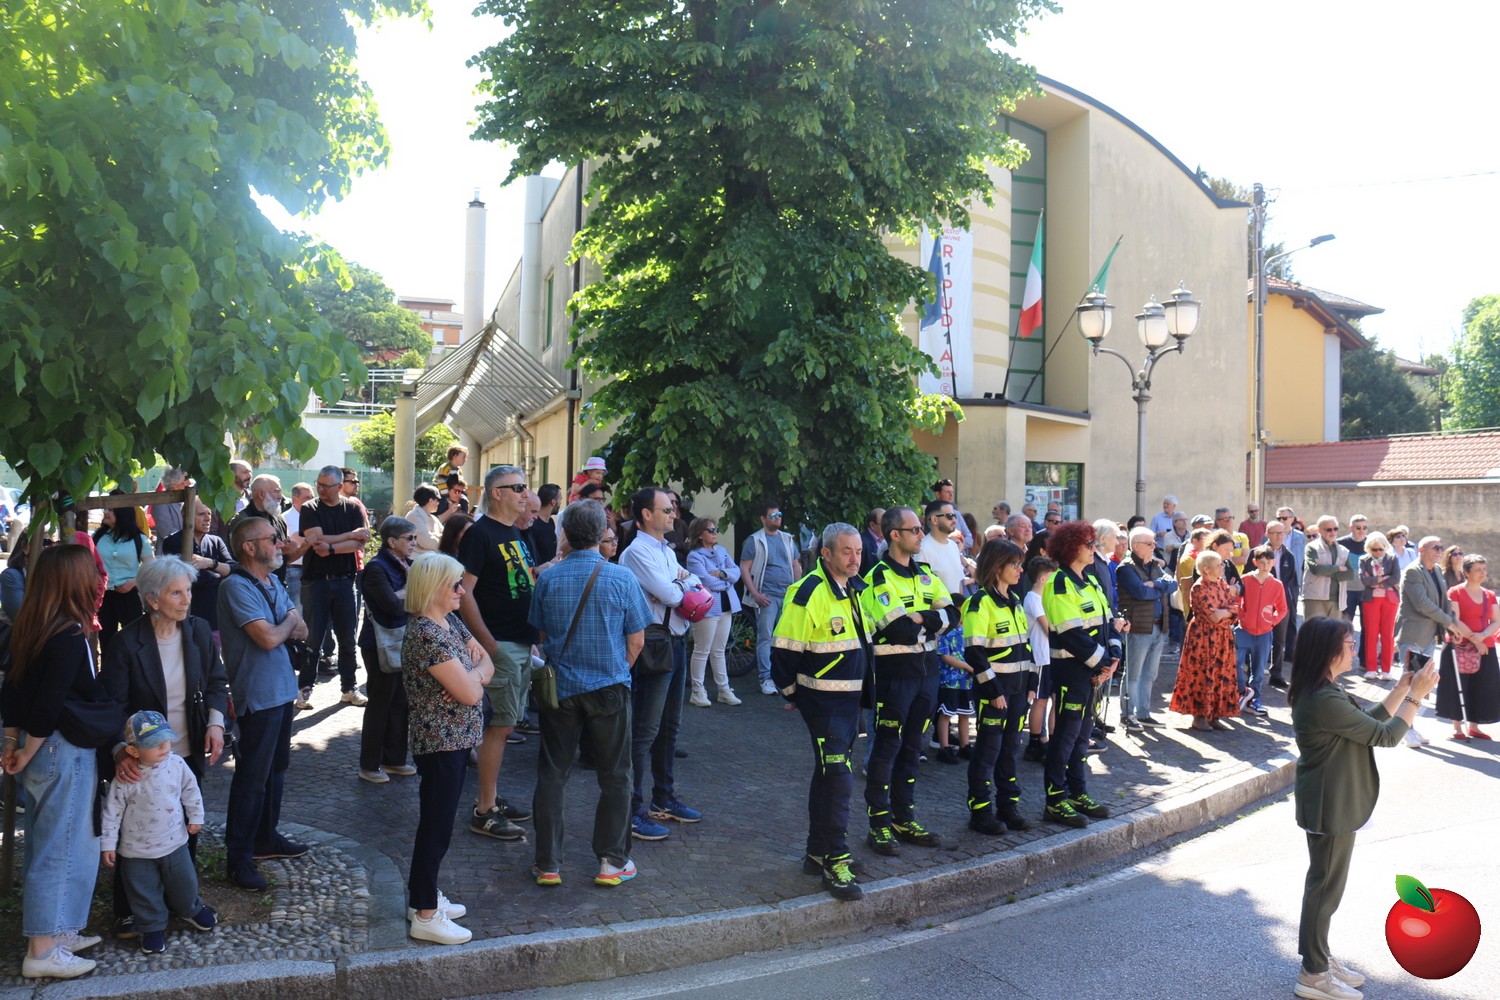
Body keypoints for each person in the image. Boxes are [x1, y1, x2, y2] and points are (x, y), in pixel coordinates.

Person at [1289, 616, 1438, 1000]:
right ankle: (1313, 973)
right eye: (1349, 643)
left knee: (1325, 886)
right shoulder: (1323, 699)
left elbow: (1367, 723)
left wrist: (1401, 690)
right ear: (1328, 651)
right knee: (1325, 889)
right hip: (1330, 803)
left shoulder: (1323, 691)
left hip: (1330, 799)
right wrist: (1415, 697)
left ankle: (1319, 958)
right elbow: (1386, 737)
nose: (1355, 648)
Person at [527, 500, 653, 888]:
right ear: (601, 534)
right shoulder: (622, 578)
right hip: (609, 687)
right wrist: (616, 669)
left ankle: (548, 864)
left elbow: (541, 635)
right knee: (616, 775)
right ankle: (611, 863)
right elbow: (637, 640)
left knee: (553, 773)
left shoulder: (548, 578)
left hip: (561, 689)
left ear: (565, 533)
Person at [1, 545, 114, 980]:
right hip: (61, 749)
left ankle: (57, 932)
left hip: (41, 748)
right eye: (91, 573)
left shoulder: (31, 628)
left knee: (49, 843)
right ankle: (42, 950)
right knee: (59, 847)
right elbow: (49, 704)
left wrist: (13, 743)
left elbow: (12, 693)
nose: (98, 580)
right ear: (74, 581)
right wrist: (24, 750)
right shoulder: (68, 634)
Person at [101, 555, 229, 935]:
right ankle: (129, 909)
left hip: (186, 751)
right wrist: (120, 751)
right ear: (153, 599)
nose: (187, 599)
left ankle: (183, 902)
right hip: (141, 758)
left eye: (188, 591)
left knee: (186, 827)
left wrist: (216, 723)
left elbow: (216, 681)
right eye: (177, 593)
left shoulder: (198, 630)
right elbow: (113, 706)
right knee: (135, 835)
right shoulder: (126, 643)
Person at [772, 523, 871, 900]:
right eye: (847, 551)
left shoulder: (853, 588)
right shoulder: (810, 591)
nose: (855, 558)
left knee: (830, 776)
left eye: (858, 551)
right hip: (825, 703)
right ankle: (836, 860)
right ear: (826, 553)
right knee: (839, 779)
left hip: (848, 702)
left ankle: (817, 852)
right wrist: (793, 693)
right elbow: (783, 651)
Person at [402, 552, 491, 945]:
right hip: (440, 743)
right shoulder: (426, 633)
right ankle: (425, 914)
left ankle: (422, 897)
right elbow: (471, 693)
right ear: (435, 587)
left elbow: (486, 662)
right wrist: (475, 676)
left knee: (437, 824)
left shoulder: (449, 620)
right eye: (455, 585)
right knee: (436, 827)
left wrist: (474, 674)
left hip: (455, 739)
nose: (461, 591)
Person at [217, 517, 310, 891]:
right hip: (257, 694)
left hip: (283, 690)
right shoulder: (235, 586)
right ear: (249, 547)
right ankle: (238, 858)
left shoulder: (272, 582)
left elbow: (301, 628)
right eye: (273, 538)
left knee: (276, 771)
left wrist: (284, 623)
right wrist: (287, 620)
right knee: (252, 778)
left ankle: (265, 839)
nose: (280, 544)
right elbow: (270, 638)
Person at [860, 506, 959, 855]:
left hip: (926, 671)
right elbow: (898, 629)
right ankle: (879, 825)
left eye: (920, 529)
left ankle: (904, 818)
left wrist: (920, 618)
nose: (920, 534)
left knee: (913, 748)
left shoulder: (925, 573)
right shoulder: (877, 578)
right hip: (894, 674)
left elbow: (954, 613)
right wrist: (930, 620)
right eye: (914, 529)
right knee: (887, 747)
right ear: (894, 535)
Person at [618, 486, 704, 840]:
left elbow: (692, 582)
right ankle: (631, 809)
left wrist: (678, 585)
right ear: (645, 515)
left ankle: (663, 798)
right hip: (653, 642)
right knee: (644, 731)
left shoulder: (665, 550)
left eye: (673, 509)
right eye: (667, 509)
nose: (673, 514)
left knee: (669, 727)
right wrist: (678, 586)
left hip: (676, 639)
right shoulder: (637, 552)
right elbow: (672, 593)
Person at [456, 464, 536, 842]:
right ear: (497, 493)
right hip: (500, 644)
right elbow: (464, 593)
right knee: (499, 727)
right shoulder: (480, 534)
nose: (525, 493)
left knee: (506, 726)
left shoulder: (515, 532)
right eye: (517, 487)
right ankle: (484, 810)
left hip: (519, 642)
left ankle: (490, 798)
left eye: (525, 486)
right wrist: (488, 643)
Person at [100, 710, 217, 955]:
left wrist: (196, 816)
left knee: (184, 882)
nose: (164, 746)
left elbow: (190, 790)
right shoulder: (126, 777)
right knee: (143, 892)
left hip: (175, 843)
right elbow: (112, 812)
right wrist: (108, 844)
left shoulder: (176, 764)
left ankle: (191, 909)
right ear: (133, 751)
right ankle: (151, 927)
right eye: (155, 743)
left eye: (166, 739)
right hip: (136, 851)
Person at [1041, 521, 1120, 828]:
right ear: (1072, 548)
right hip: (1072, 672)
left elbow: (1108, 623)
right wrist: (1103, 663)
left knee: (1082, 737)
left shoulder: (1091, 581)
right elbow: (1072, 634)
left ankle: (1078, 793)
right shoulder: (1059, 584)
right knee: (1065, 737)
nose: (1093, 548)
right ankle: (1055, 801)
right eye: (1088, 544)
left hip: (1093, 672)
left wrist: (1114, 656)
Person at [961, 539, 1038, 835]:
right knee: (987, 752)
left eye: (1020, 564)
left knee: (1010, 750)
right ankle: (981, 813)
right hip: (995, 694)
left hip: (1018, 692)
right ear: (996, 567)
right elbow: (974, 652)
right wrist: (994, 691)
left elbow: (1025, 646)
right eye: (1014, 564)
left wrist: (1032, 682)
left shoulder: (1015, 601)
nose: (1020, 570)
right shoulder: (979, 603)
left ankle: (1008, 807)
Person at [298, 466, 371, 707]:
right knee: (313, 638)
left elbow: (360, 543)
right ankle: (305, 688)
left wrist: (330, 548)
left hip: (345, 580)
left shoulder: (352, 508)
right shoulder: (310, 508)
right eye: (318, 484)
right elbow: (316, 540)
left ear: (339, 487)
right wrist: (349, 536)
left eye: (326, 486)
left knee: (348, 638)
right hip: (315, 581)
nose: (320, 489)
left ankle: (349, 688)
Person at [1394, 535, 1473, 749]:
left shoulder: (1436, 570)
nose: (1440, 551)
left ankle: (1409, 725)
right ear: (1421, 550)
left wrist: (1452, 624)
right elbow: (1423, 604)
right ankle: (1404, 729)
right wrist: (1449, 623)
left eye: (1441, 547)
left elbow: (1444, 601)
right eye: (1435, 547)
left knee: (1421, 684)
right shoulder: (1412, 571)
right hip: (1414, 635)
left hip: (1429, 636)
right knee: (1410, 682)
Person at [357, 517, 417, 784]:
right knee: (380, 704)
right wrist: (409, 591)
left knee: (400, 702)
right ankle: (369, 765)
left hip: (402, 639)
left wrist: (404, 594)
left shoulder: (408, 564)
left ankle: (394, 759)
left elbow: (409, 599)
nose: (414, 543)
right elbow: (392, 606)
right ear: (392, 541)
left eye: (415, 538)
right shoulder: (376, 568)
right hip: (379, 644)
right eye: (409, 538)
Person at [1171, 550, 1240, 732]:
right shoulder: (1199, 588)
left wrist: (1225, 612)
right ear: (1206, 569)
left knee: (1220, 673)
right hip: (1204, 638)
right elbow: (1213, 616)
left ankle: (1214, 715)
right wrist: (1226, 613)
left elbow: (1235, 607)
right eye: (1218, 565)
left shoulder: (1221, 583)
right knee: (1203, 674)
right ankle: (1200, 716)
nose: (1222, 567)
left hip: (1222, 636)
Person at [1116, 526, 1177, 729]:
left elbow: (1173, 584)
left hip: (1159, 626)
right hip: (1138, 628)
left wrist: (1155, 585)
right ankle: (1127, 714)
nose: (1154, 547)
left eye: (1154, 543)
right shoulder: (1126, 568)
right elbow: (1140, 593)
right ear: (1136, 546)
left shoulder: (1154, 565)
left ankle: (1143, 713)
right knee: (1133, 674)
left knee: (1150, 674)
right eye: (1150, 544)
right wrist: (1160, 588)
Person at [739, 499, 802, 696]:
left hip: (787, 596)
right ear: (763, 519)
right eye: (773, 515)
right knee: (765, 637)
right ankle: (765, 678)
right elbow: (744, 568)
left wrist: (796, 591)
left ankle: (784, 677)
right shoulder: (755, 540)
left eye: (779, 515)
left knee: (786, 638)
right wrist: (756, 594)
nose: (778, 518)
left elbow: (796, 565)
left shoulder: (787, 539)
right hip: (767, 596)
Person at [1438, 553, 1500, 741]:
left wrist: (1483, 636)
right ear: (1466, 572)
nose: (1483, 573)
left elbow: (1496, 621)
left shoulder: (1489, 595)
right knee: (1457, 686)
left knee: (1482, 686)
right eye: (1478, 570)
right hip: (1460, 645)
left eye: (1484, 569)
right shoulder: (1455, 592)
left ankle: (1474, 726)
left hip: (1485, 647)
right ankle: (1457, 727)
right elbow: (1455, 619)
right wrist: (1475, 639)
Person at [156, 500, 234, 643]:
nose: (207, 518)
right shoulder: (173, 542)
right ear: (187, 516)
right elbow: (193, 579)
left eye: (209, 513)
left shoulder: (216, 541)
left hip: (215, 617)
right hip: (189, 615)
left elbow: (234, 570)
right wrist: (220, 574)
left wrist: (210, 563)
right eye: (201, 514)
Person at [685, 516, 743, 706]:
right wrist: (727, 580)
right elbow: (704, 581)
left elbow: (736, 572)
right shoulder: (694, 556)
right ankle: (697, 691)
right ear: (700, 534)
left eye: (715, 529)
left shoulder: (722, 551)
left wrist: (722, 574)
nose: (715, 533)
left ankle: (724, 690)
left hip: (726, 605)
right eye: (710, 530)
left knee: (719, 650)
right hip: (707, 607)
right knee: (702, 650)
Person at [95, 501, 153, 653]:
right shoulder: (98, 537)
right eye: (105, 509)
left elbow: (150, 568)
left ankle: (133, 668)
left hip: (129, 595)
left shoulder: (139, 539)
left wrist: (133, 582)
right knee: (106, 641)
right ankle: (109, 668)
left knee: (134, 641)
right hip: (104, 596)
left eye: (111, 510)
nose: (105, 512)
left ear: (123, 513)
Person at [1237, 545, 1288, 716]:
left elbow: (1282, 609)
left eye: (1268, 562)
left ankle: (1255, 699)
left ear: (1273, 562)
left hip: (1264, 633)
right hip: (1243, 630)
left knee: (1258, 670)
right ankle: (1242, 692)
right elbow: (1237, 601)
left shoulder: (1277, 584)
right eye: (1261, 562)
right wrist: (1242, 617)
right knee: (1235, 662)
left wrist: (1271, 621)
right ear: (1255, 562)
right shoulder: (1245, 580)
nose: (1265, 566)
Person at [1021, 555, 1058, 762]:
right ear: (1043, 578)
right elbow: (1048, 628)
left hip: (1051, 656)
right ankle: (1035, 742)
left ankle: (1052, 740)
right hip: (1041, 656)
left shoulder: (1045, 599)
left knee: (1054, 699)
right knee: (1040, 700)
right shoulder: (1033, 599)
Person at [1356, 532, 1400, 680]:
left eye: (1381, 549)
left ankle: (1387, 669)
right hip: (1371, 600)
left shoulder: (1392, 558)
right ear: (1369, 549)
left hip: (1389, 600)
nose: (1378, 552)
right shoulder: (1363, 560)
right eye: (1374, 549)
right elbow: (1364, 580)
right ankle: (1371, 668)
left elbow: (1396, 577)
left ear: (1385, 547)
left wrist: (1376, 581)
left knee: (1388, 634)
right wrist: (1383, 578)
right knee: (1371, 634)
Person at [1266, 519, 1301, 690]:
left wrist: (1290, 599)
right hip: (1263, 602)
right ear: (1268, 534)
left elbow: (1292, 580)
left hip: (1282, 603)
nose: (1280, 536)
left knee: (1280, 640)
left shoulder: (1289, 554)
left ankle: (1276, 674)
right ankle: (1253, 673)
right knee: (1260, 639)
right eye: (1276, 533)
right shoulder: (1259, 553)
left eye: (1282, 533)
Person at [1303, 516, 1352, 620]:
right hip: (1315, 598)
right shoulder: (1312, 547)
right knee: (1314, 630)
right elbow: (1317, 570)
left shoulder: (1343, 550)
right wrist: (1338, 568)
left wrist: (1326, 570)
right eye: (1328, 529)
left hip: (1337, 601)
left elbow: (1350, 574)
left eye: (1335, 529)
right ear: (1319, 530)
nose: (1333, 532)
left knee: (1334, 631)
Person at [150, 468, 188, 546]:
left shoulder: (185, 499)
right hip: (170, 551)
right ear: (175, 482)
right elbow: (167, 532)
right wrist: (191, 540)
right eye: (183, 482)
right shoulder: (161, 503)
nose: (187, 484)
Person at [406, 484, 444, 553]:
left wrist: (434, 536)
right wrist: (441, 538)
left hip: (431, 557)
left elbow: (447, 536)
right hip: (417, 558)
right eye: (438, 499)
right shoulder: (413, 516)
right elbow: (428, 542)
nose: (439, 503)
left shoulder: (434, 519)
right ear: (430, 500)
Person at [858, 508, 885, 577]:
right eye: (884, 524)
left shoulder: (888, 541)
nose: (888, 527)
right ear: (872, 525)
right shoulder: (862, 542)